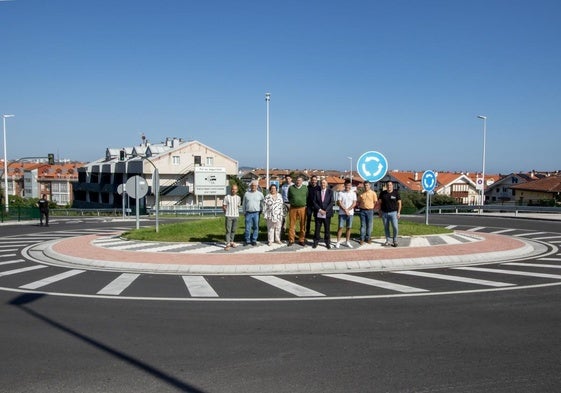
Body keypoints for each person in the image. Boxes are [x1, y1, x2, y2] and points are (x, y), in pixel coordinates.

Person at [312, 179, 335, 249]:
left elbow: (331, 202)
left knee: (327, 229)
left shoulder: (330, 192)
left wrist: (326, 211)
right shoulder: (317, 192)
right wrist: (319, 210)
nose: (323, 184)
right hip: (318, 213)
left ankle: (327, 242)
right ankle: (316, 242)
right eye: (322, 183)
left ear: (327, 184)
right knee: (317, 228)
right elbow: (314, 202)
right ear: (320, 184)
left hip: (327, 214)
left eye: (324, 183)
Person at [378, 181, 402, 247]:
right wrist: (379, 211)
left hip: (394, 213)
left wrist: (399, 212)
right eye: (388, 185)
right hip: (384, 213)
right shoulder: (382, 193)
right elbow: (379, 203)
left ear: (392, 186)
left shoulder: (396, 193)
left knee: (395, 227)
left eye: (390, 185)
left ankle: (395, 240)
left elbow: (399, 203)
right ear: (386, 186)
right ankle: (388, 240)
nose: (389, 186)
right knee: (386, 227)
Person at [335, 179, 357, 248]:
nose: (348, 186)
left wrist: (348, 210)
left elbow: (354, 203)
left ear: (351, 186)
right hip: (342, 213)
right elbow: (339, 202)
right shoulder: (341, 193)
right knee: (340, 227)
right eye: (346, 185)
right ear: (344, 185)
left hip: (350, 213)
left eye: (349, 185)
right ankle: (338, 242)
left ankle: (347, 241)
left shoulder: (353, 193)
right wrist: (345, 210)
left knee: (348, 228)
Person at [287, 176, 308, 246]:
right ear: (295, 181)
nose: (298, 182)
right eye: (297, 180)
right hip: (293, 208)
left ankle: (301, 239)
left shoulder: (305, 188)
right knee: (292, 225)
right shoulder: (291, 188)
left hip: (302, 208)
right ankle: (291, 240)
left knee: (302, 225)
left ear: (302, 181)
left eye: (299, 180)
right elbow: (289, 197)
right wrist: (293, 202)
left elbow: (307, 196)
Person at [242, 180, 264, 246]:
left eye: (255, 185)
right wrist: (244, 212)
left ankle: (254, 240)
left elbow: (262, 203)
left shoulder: (260, 194)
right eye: (252, 185)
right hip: (248, 213)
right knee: (247, 227)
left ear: (257, 186)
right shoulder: (246, 193)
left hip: (256, 213)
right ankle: (247, 240)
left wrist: (262, 210)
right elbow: (243, 203)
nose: (253, 187)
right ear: (250, 186)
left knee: (255, 227)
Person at [357, 181, 378, 245]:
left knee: (369, 225)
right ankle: (362, 239)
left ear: (370, 186)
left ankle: (368, 238)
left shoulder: (373, 193)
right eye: (365, 185)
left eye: (367, 185)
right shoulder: (362, 194)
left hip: (370, 211)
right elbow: (358, 201)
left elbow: (375, 202)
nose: (366, 186)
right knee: (363, 225)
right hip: (362, 211)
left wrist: (372, 208)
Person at [222, 184, 241, 250]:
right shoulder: (227, 197)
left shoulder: (238, 198)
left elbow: (238, 206)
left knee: (233, 230)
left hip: (236, 216)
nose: (234, 190)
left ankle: (232, 241)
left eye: (235, 189)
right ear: (231, 190)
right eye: (233, 189)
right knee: (228, 230)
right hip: (228, 216)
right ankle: (228, 243)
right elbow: (224, 206)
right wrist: (226, 213)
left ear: (237, 190)